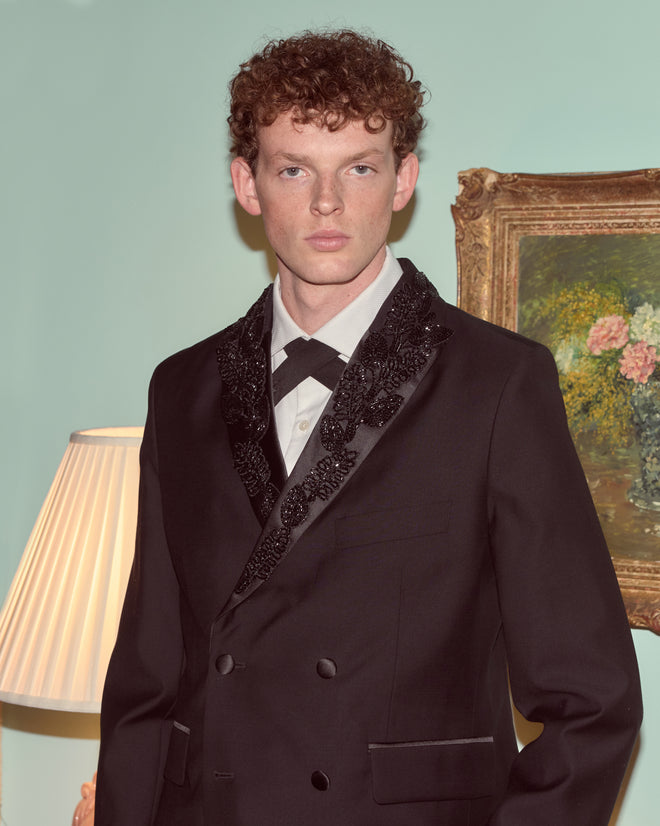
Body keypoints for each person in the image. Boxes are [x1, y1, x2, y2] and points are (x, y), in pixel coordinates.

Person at [95, 29, 642, 826]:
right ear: (248, 185)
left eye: (359, 167)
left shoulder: (497, 383)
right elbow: (143, 688)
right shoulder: (182, 388)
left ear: (402, 179)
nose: (327, 203)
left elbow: (593, 704)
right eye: (293, 169)